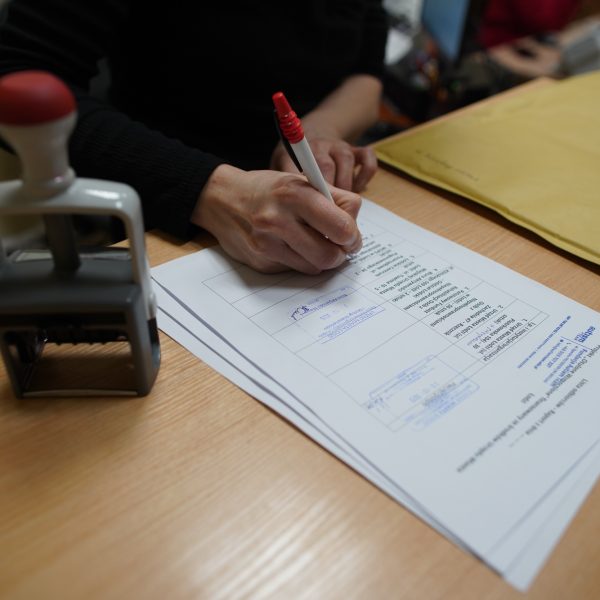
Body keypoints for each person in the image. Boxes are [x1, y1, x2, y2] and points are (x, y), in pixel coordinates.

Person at [0, 0, 388, 274]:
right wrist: (214, 191)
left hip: (310, 192)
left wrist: (323, 127)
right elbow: (14, 73)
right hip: (168, 212)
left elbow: (368, 65)